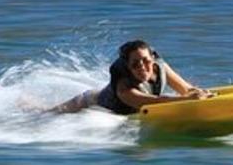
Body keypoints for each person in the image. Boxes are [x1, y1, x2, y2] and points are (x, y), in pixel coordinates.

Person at [52, 39, 214, 114]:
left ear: (152, 59)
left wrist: (203, 95)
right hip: (87, 103)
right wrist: (187, 100)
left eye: (146, 61)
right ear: (128, 67)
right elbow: (155, 102)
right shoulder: (124, 88)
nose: (143, 67)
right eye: (135, 64)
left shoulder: (160, 66)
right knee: (47, 115)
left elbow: (186, 89)